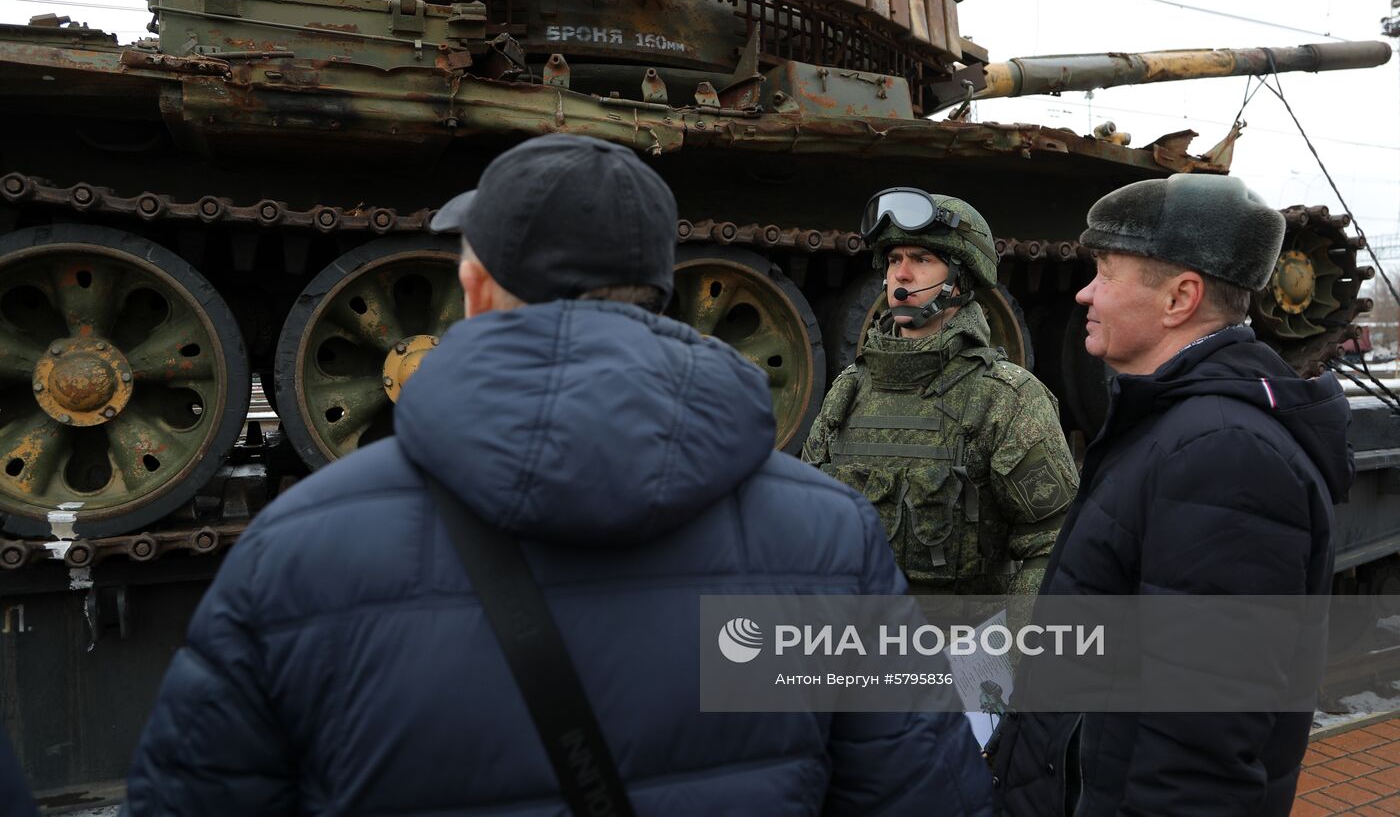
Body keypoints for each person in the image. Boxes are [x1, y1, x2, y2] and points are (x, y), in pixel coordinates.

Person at [122, 136, 992, 816]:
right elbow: (921, 792)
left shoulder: (297, 546)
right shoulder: (830, 534)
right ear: (660, 287)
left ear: (474, 284)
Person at [992, 173, 1350, 817]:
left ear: (1179, 298)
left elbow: (1200, 750)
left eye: (1105, 271)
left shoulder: (1222, 454)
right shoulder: (1176, 428)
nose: (1083, 293)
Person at [802, 189, 1076, 598]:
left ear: (960, 279)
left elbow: (1054, 542)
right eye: (895, 260)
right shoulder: (850, 389)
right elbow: (802, 520)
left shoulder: (1005, 398)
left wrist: (1013, 650)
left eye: (922, 260)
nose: (902, 275)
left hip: (952, 648)